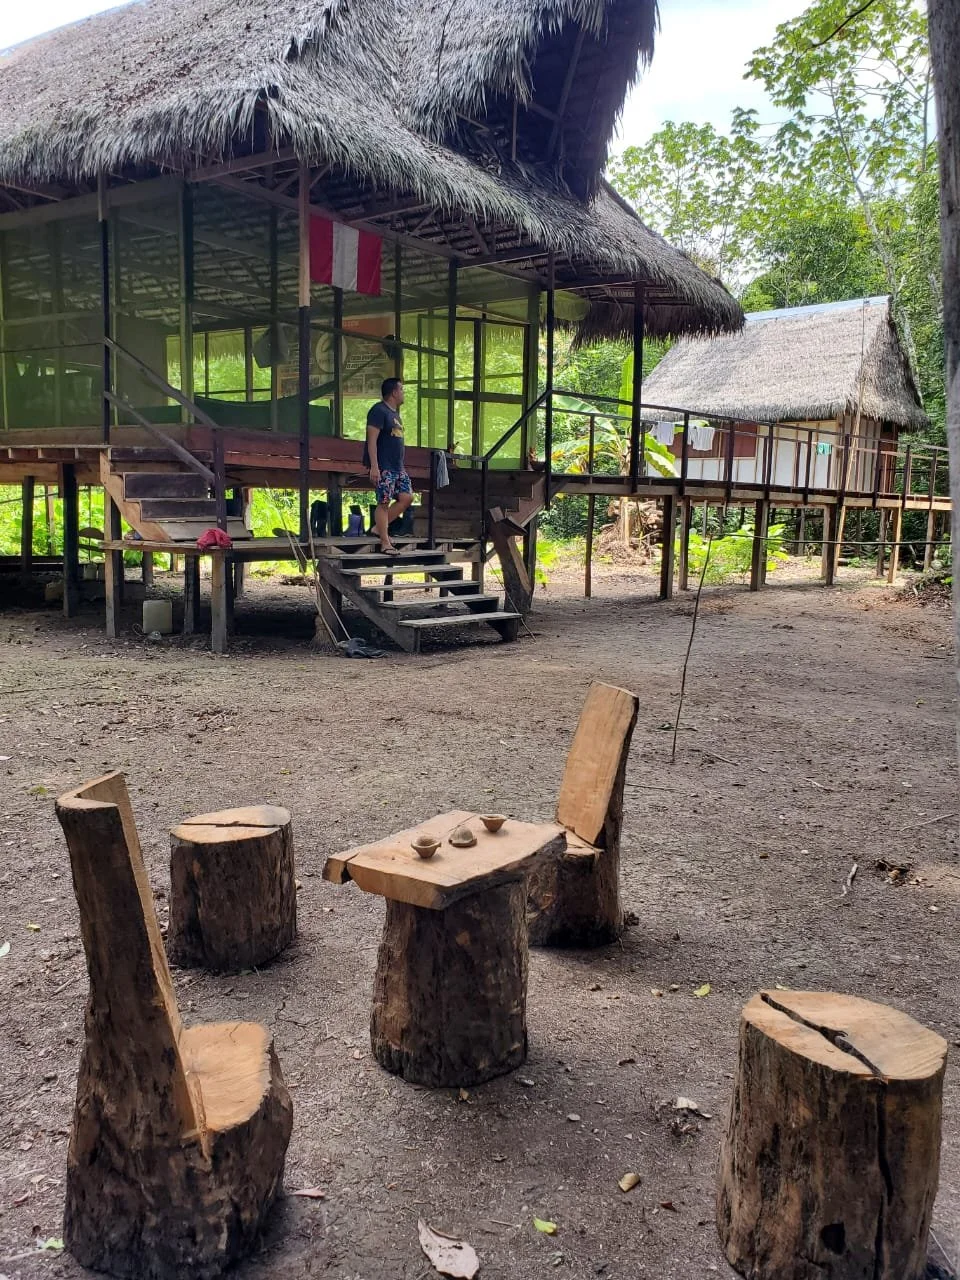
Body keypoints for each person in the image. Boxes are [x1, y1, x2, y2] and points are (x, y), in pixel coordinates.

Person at [365, 377, 412, 554]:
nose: (403, 393)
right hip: (384, 466)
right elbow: (372, 441)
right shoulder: (378, 411)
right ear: (394, 392)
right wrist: (374, 467)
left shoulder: (395, 414)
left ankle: (379, 528)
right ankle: (385, 542)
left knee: (407, 498)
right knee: (383, 501)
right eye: (402, 390)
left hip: (398, 467)